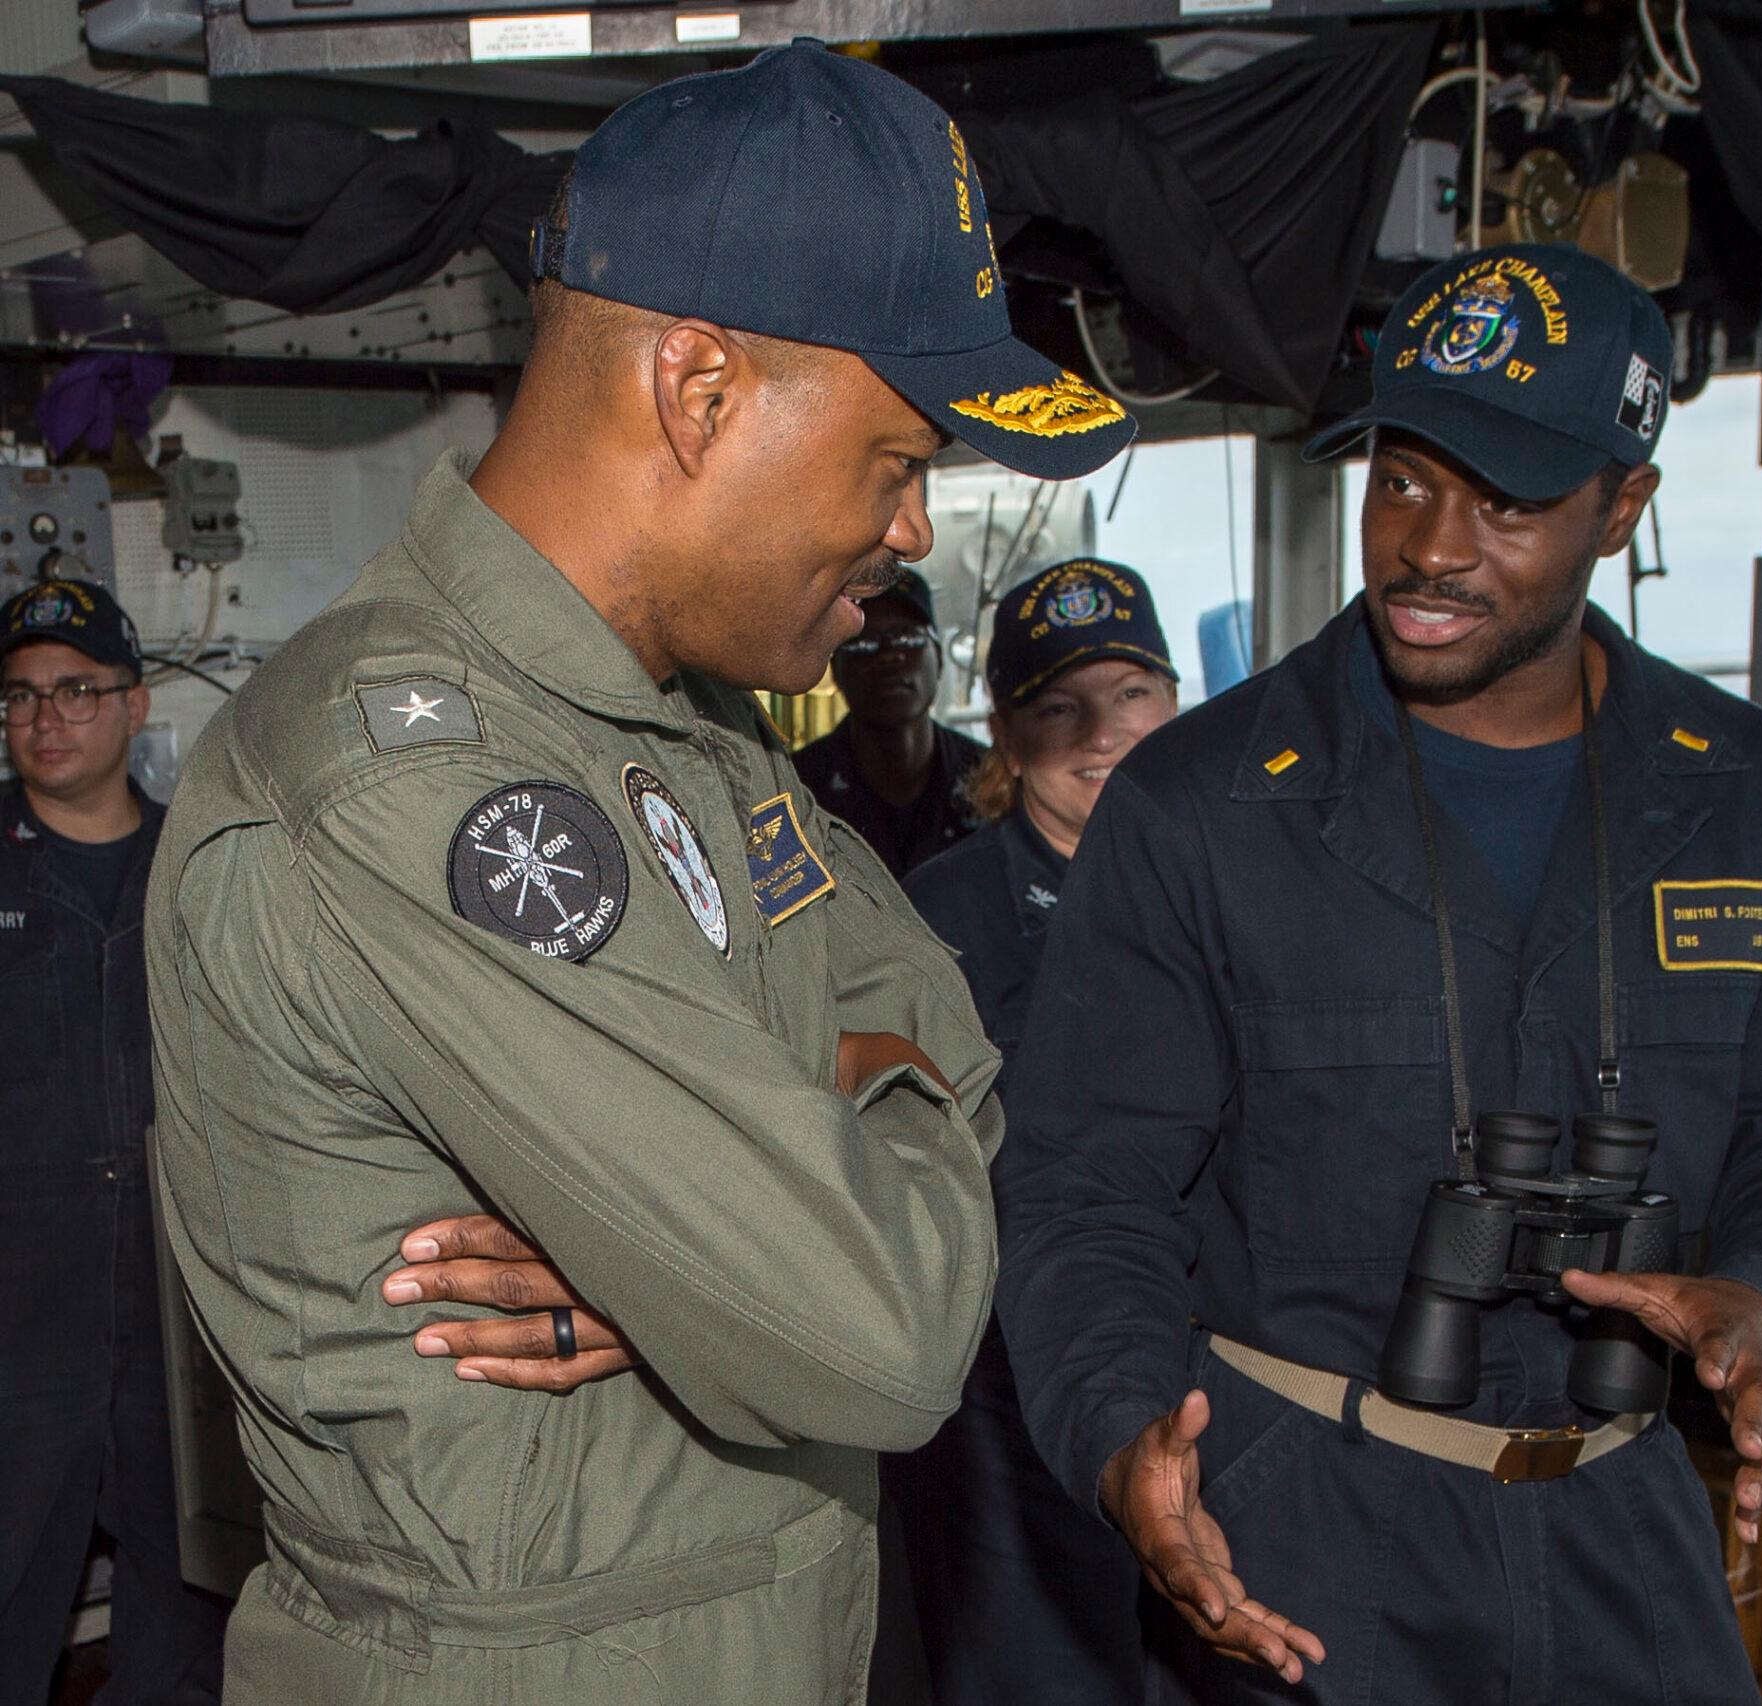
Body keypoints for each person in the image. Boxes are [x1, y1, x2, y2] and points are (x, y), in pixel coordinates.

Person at [143, 43, 1133, 1705]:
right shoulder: (408, 783)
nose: (910, 534)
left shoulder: (692, 720)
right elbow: (878, 1334)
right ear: (700, 390)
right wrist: (780, 1227)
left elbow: (939, 1022)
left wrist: (719, 1237)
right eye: (898, 459)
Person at [993, 243, 1762, 1703]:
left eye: (1504, 501)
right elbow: (1085, 1182)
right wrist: (1126, 1433)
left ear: (1624, 506)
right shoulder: (1205, 805)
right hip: (1301, 1541)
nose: (1431, 547)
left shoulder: (1754, 798)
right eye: (1402, 480)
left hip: (1628, 1529)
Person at [893, 556, 1182, 1705]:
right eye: (1056, 705)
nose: (1098, 733)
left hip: (1207, 1378)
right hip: (1009, 1401)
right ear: (1004, 736)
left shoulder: (1236, 884)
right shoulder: (940, 913)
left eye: (1128, 693)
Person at [0, 579, 224, 1706]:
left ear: (135, 707)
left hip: (179, 1322)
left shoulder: (202, 877)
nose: (47, 718)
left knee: (186, 1620)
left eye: (77, 690)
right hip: (19, 1328)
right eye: (23, 696)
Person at [794, 567, 987, 878]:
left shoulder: (990, 776)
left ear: (937, 657)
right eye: (863, 643)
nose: (887, 656)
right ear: (836, 669)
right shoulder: (798, 788)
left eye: (905, 638)